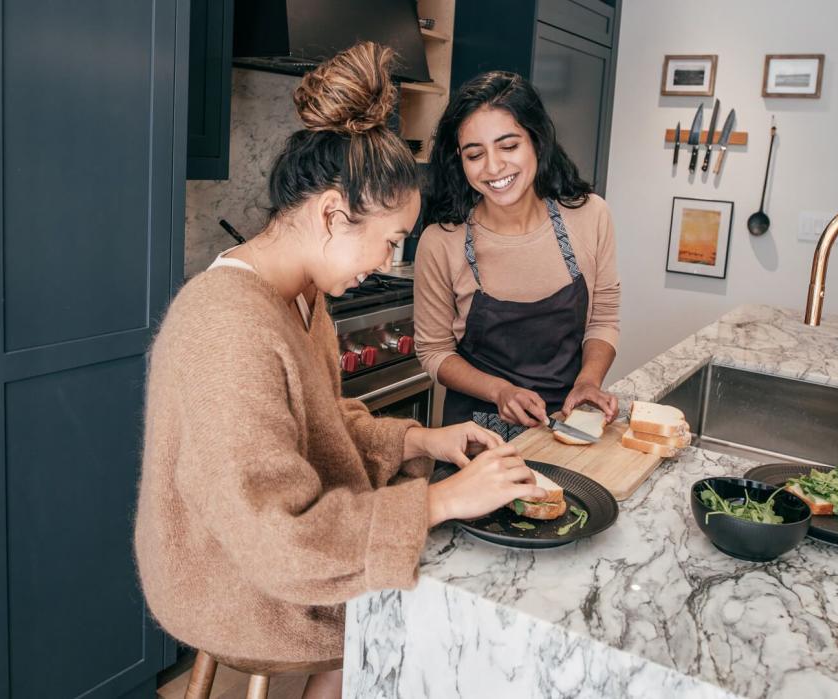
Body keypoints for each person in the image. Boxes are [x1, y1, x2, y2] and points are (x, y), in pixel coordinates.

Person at [133, 44, 547, 699]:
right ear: (331, 213)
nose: (386, 262)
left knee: (430, 594)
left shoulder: (302, 293)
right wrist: (439, 500)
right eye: (388, 242)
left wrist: (422, 441)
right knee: (423, 613)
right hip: (232, 577)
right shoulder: (227, 324)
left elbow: (323, 420)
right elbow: (276, 539)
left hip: (276, 552)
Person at [414, 71, 622, 442]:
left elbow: (603, 318)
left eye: (509, 146)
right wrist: (500, 392)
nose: (493, 167)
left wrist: (589, 381)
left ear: (537, 143)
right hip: (477, 440)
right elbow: (433, 352)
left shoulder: (590, 216)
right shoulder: (441, 242)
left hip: (568, 426)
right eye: (475, 154)